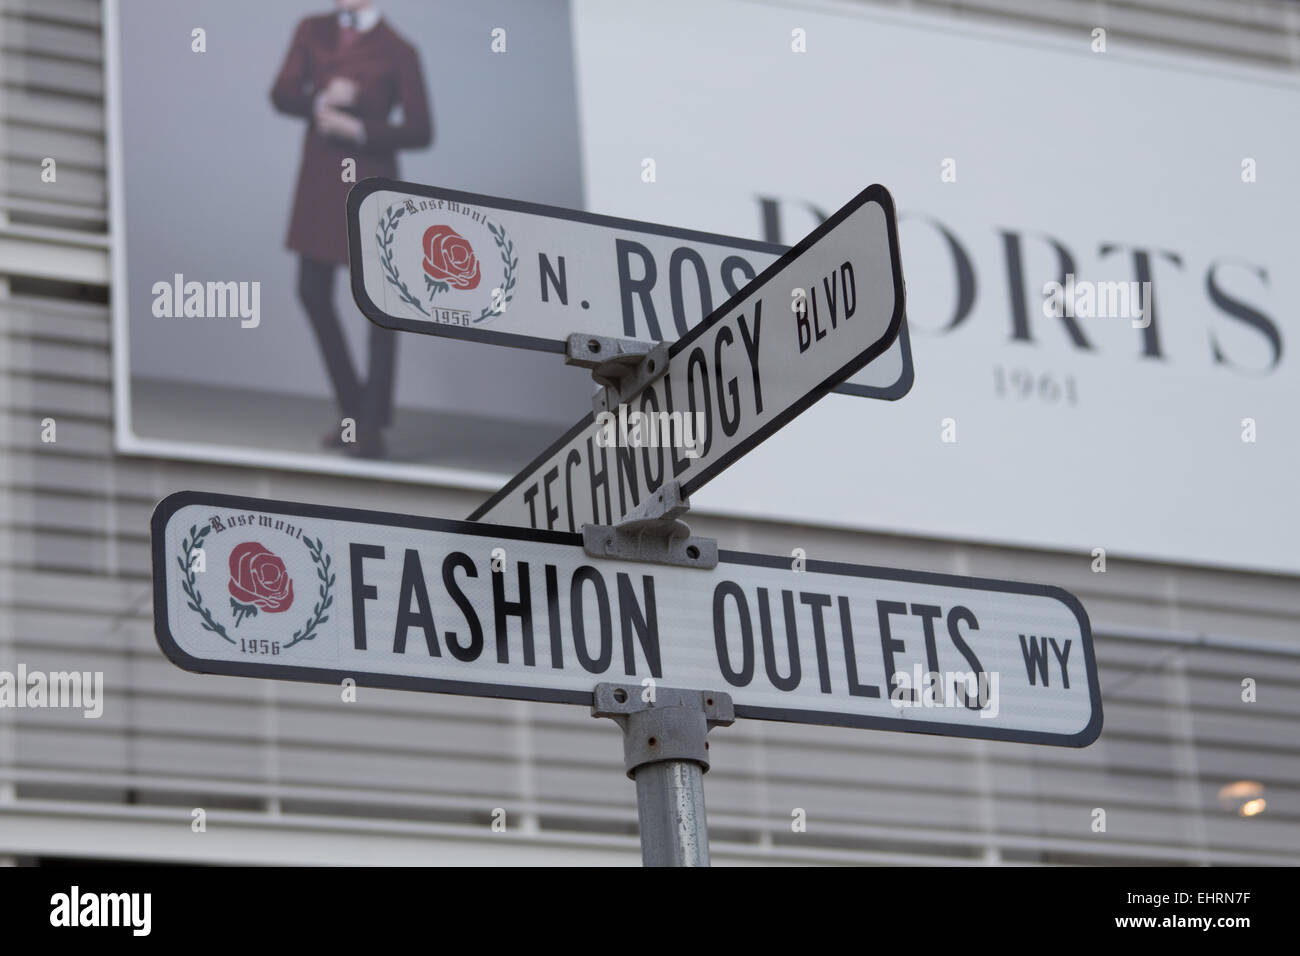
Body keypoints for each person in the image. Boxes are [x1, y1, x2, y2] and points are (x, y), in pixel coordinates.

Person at [271, 0, 432, 458]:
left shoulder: (400, 49)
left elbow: (421, 130)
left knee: (380, 308)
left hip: (371, 183)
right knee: (312, 292)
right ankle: (357, 413)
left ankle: (368, 428)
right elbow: (281, 93)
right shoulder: (311, 28)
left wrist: (358, 127)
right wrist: (321, 101)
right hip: (321, 181)